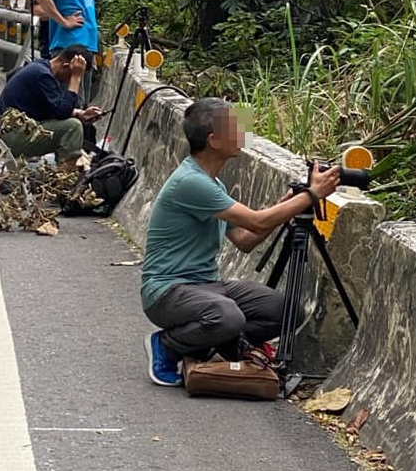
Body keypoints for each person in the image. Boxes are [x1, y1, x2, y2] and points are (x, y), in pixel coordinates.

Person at [141, 98, 341, 387]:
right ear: (214, 140)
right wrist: (311, 195)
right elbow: (257, 221)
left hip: (208, 286)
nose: (242, 135)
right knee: (228, 316)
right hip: (166, 291)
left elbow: (246, 240)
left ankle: (211, 343)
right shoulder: (190, 182)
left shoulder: (213, 184)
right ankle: (168, 345)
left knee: (287, 312)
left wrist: (286, 206)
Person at [0, 48, 103, 167]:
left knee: (73, 123)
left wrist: (80, 114)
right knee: (72, 128)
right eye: (70, 75)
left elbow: (54, 109)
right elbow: (62, 113)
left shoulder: (41, 68)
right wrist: (76, 78)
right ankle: (67, 177)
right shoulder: (43, 75)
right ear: (65, 66)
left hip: (7, 134)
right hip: (5, 138)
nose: (67, 82)